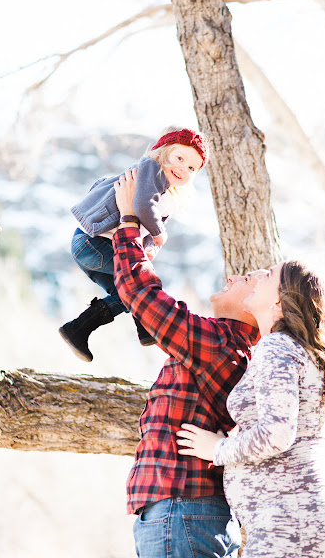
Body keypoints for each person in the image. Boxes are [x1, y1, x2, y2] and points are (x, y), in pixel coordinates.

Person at [111, 168, 264, 558]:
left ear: (256, 307)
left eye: (247, 279)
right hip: (183, 517)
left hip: (181, 515)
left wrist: (128, 222)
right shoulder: (223, 345)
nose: (234, 276)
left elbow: (143, 296)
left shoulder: (220, 344)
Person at [177, 260, 325, 558]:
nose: (257, 276)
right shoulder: (298, 350)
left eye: (268, 275)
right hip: (307, 519)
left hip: (292, 524)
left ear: (278, 303)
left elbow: (277, 433)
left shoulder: (277, 347)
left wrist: (218, 450)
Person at [59, 127, 209, 362]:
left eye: (191, 168)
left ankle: (78, 330)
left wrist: (151, 247)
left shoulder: (167, 196)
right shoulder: (151, 169)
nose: (183, 168)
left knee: (126, 295)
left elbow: (146, 229)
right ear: (163, 152)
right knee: (138, 283)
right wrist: (160, 234)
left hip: (94, 250)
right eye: (179, 158)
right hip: (93, 243)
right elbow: (141, 206)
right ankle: (145, 325)